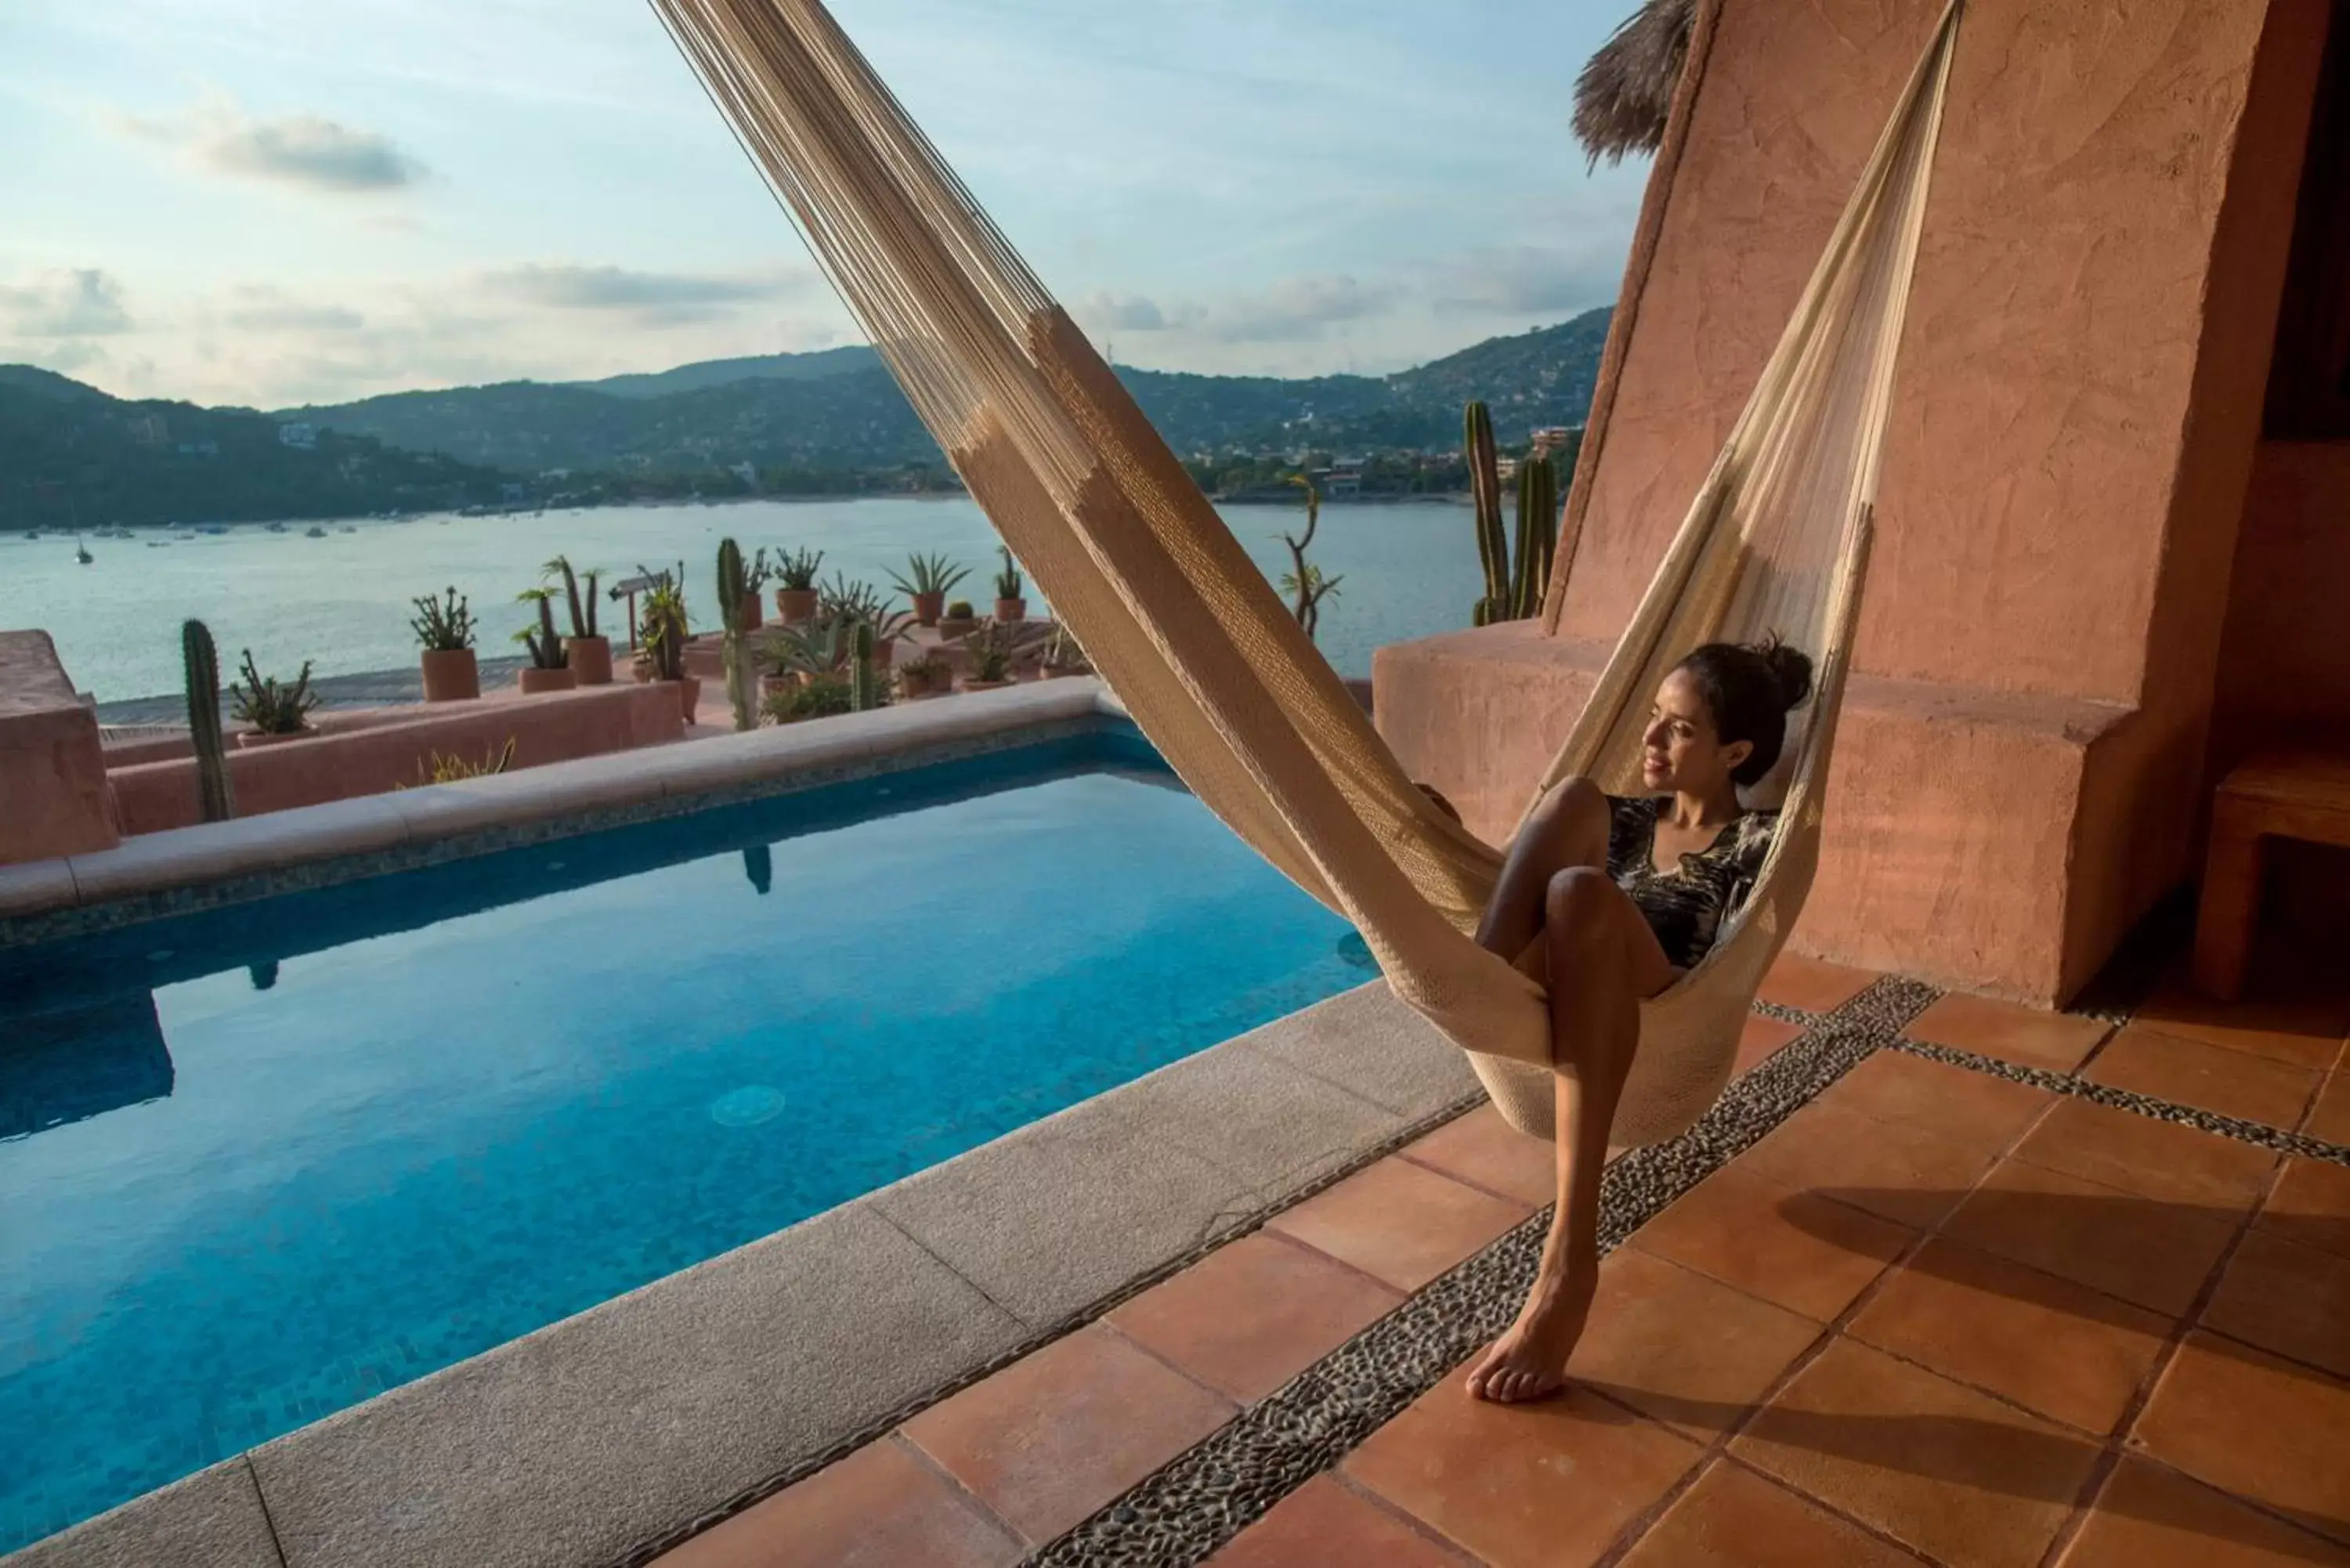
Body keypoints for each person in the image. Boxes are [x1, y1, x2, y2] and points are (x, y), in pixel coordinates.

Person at [1452, 634, 1814, 1404]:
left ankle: (1568, 1261)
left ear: (1735, 751)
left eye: (1679, 728)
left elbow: (1720, 974)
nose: (1649, 739)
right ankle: (1457, 979)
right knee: (1574, 797)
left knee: (1582, 892)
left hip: (1662, 1008)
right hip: (1546, 984)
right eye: (1654, 716)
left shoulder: (1760, 841)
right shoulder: (1607, 816)